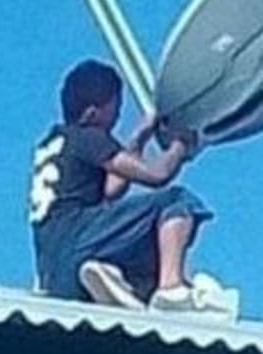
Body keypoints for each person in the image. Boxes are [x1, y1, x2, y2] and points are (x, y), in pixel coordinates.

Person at [28, 59, 211, 310]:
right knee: (177, 202)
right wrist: (180, 145)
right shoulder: (87, 137)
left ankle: (111, 278)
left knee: (142, 243)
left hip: (54, 270)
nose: (117, 116)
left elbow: (110, 191)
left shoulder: (55, 141)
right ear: (94, 113)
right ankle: (171, 289)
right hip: (80, 236)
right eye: (115, 108)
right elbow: (157, 175)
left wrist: (138, 139)